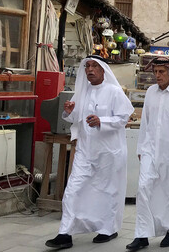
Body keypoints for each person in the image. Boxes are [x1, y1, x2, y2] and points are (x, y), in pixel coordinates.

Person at [45, 56, 133, 250]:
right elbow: (75, 118)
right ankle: (64, 233)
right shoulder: (82, 92)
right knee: (73, 190)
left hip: (109, 152)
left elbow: (124, 117)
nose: (90, 69)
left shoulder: (114, 91)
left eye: (94, 66)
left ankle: (108, 229)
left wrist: (103, 121)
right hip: (85, 151)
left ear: (103, 70)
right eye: (87, 66)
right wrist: (68, 112)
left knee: (108, 191)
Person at [127, 58, 169, 251]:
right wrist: (141, 148)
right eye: (155, 71)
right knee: (143, 188)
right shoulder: (150, 92)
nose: (157, 75)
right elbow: (145, 122)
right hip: (150, 150)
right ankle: (142, 235)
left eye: (161, 72)